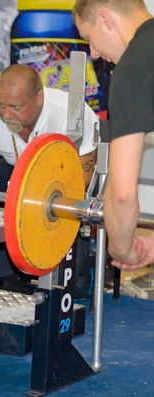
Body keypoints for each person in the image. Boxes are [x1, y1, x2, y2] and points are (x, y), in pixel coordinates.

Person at [0, 64, 100, 293]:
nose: (6, 114)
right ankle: (9, 276)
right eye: (2, 105)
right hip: (14, 173)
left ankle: (75, 268)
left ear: (39, 98)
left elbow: (83, 178)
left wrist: (31, 205)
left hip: (65, 181)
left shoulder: (72, 114)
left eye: (16, 106)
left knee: (68, 289)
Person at [73, 0, 154, 271]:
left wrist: (120, 249)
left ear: (106, 19)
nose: (94, 53)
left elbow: (122, 194)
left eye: (89, 38)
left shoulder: (134, 67)